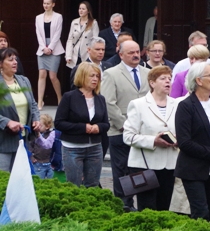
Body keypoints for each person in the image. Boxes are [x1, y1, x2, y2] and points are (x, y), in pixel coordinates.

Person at [174, 61, 210, 221]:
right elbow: (184, 142)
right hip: (193, 170)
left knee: (208, 215)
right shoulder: (186, 106)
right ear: (198, 80)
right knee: (200, 213)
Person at [101, 40, 149, 210]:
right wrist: (125, 125)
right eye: (131, 52)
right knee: (122, 170)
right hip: (120, 131)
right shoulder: (111, 74)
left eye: (137, 51)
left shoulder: (148, 73)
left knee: (141, 170)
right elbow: (109, 102)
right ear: (121, 55)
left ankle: (143, 206)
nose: (136, 55)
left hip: (144, 132)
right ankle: (124, 205)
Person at [123, 65, 179, 211]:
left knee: (164, 208)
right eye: (163, 78)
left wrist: (178, 140)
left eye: (169, 78)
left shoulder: (177, 104)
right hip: (145, 165)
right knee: (147, 208)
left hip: (169, 164)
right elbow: (128, 136)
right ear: (152, 83)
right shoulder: (138, 104)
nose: (168, 81)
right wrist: (153, 140)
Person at [55, 62, 109, 187]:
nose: (95, 79)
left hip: (95, 148)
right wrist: (83, 127)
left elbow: (106, 124)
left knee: (93, 185)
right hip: (72, 148)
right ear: (82, 76)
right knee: (74, 185)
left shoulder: (100, 98)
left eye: (97, 76)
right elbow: (59, 123)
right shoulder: (69, 97)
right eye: (92, 76)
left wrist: (98, 127)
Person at [0, 47, 40, 171]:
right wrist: (7, 122)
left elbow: (33, 104)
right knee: (3, 180)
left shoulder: (24, 80)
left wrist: (36, 119)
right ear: (0, 64)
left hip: (23, 140)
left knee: (21, 179)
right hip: (3, 142)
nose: (15, 62)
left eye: (15, 59)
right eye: (10, 60)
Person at [35, 0, 64, 109]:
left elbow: (58, 33)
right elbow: (38, 33)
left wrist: (50, 47)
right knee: (42, 74)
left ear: (53, 4)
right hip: (42, 48)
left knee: (52, 76)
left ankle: (60, 98)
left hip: (55, 48)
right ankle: (40, 101)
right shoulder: (38, 17)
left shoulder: (58, 17)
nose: (45, 5)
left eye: (48, 3)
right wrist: (43, 47)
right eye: (44, 3)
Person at [65, 1, 99, 70]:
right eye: (80, 8)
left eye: (83, 9)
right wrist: (68, 55)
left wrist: (92, 54)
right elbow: (70, 40)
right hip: (75, 54)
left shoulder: (93, 23)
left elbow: (95, 40)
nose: (81, 10)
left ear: (88, 11)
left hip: (87, 54)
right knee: (75, 74)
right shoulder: (74, 22)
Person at [30, 113, 57, 179]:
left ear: (47, 126)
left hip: (50, 164)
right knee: (38, 180)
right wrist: (31, 157)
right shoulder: (35, 135)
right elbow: (30, 146)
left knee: (52, 181)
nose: (38, 127)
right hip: (38, 163)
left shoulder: (52, 135)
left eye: (40, 125)